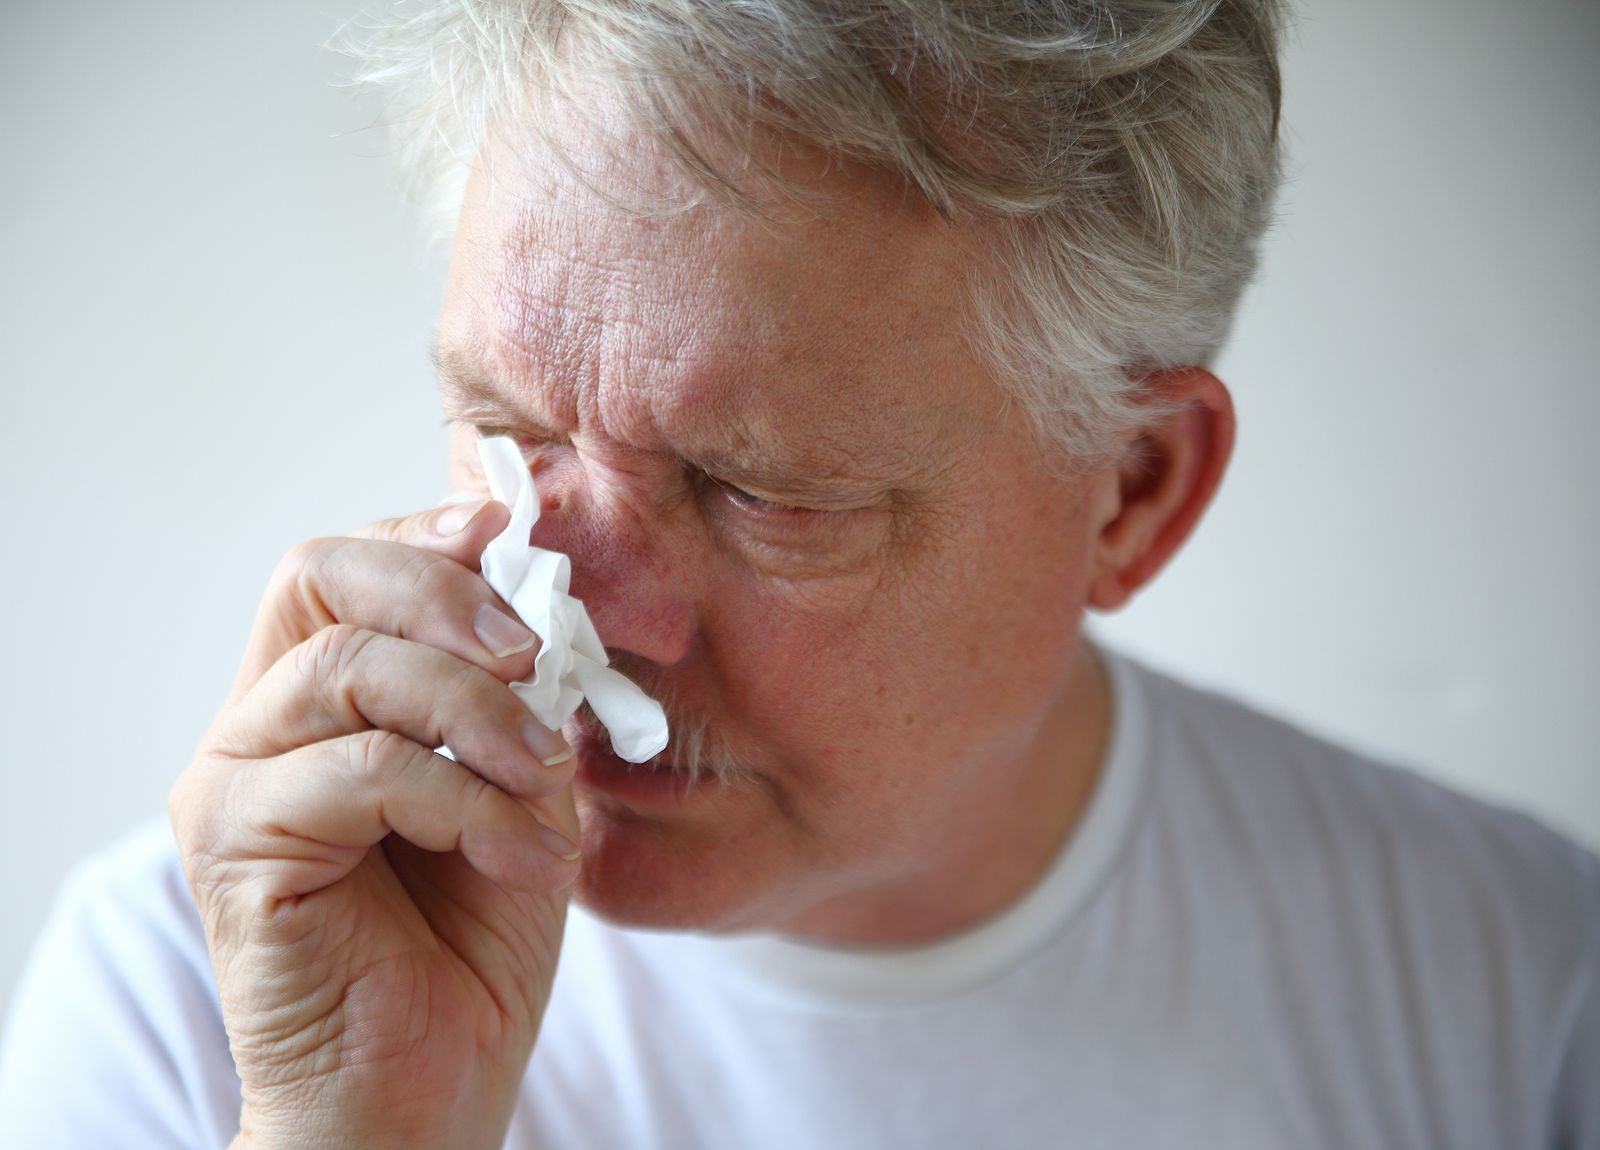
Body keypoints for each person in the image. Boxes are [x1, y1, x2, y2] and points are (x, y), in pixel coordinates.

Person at [1, 1, 1596, 1146]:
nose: (573, 622)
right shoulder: (204, 1002)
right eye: (505, 434)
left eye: (763, 494)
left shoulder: (1518, 1008)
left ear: (1133, 489)